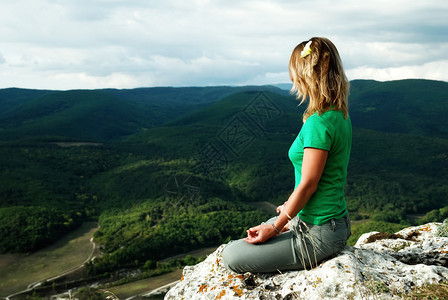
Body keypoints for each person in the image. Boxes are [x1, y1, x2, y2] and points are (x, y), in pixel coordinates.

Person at [222, 37, 352, 273]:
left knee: (231, 255)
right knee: (257, 232)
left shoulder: (318, 123)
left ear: (307, 74)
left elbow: (309, 184)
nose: (292, 79)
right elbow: (321, 178)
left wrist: (276, 228)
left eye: (295, 73)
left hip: (320, 232)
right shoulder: (338, 114)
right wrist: (291, 210)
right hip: (329, 222)